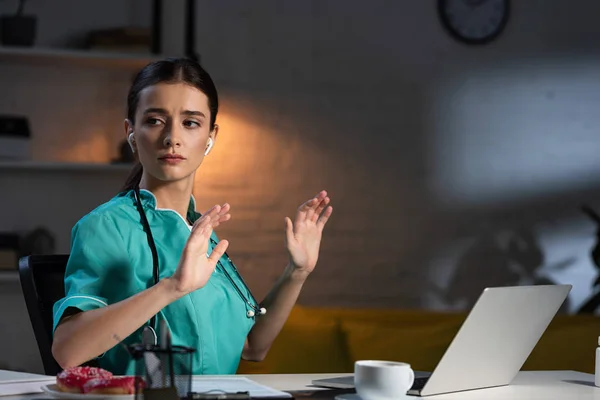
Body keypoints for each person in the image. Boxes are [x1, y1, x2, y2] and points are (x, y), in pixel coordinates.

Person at [51, 57, 333, 376]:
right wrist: (172, 287)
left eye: (190, 123)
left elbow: (254, 346)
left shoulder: (200, 232)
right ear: (131, 132)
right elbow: (67, 350)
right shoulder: (105, 226)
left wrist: (297, 271)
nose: (173, 137)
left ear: (210, 136)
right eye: (155, 120)